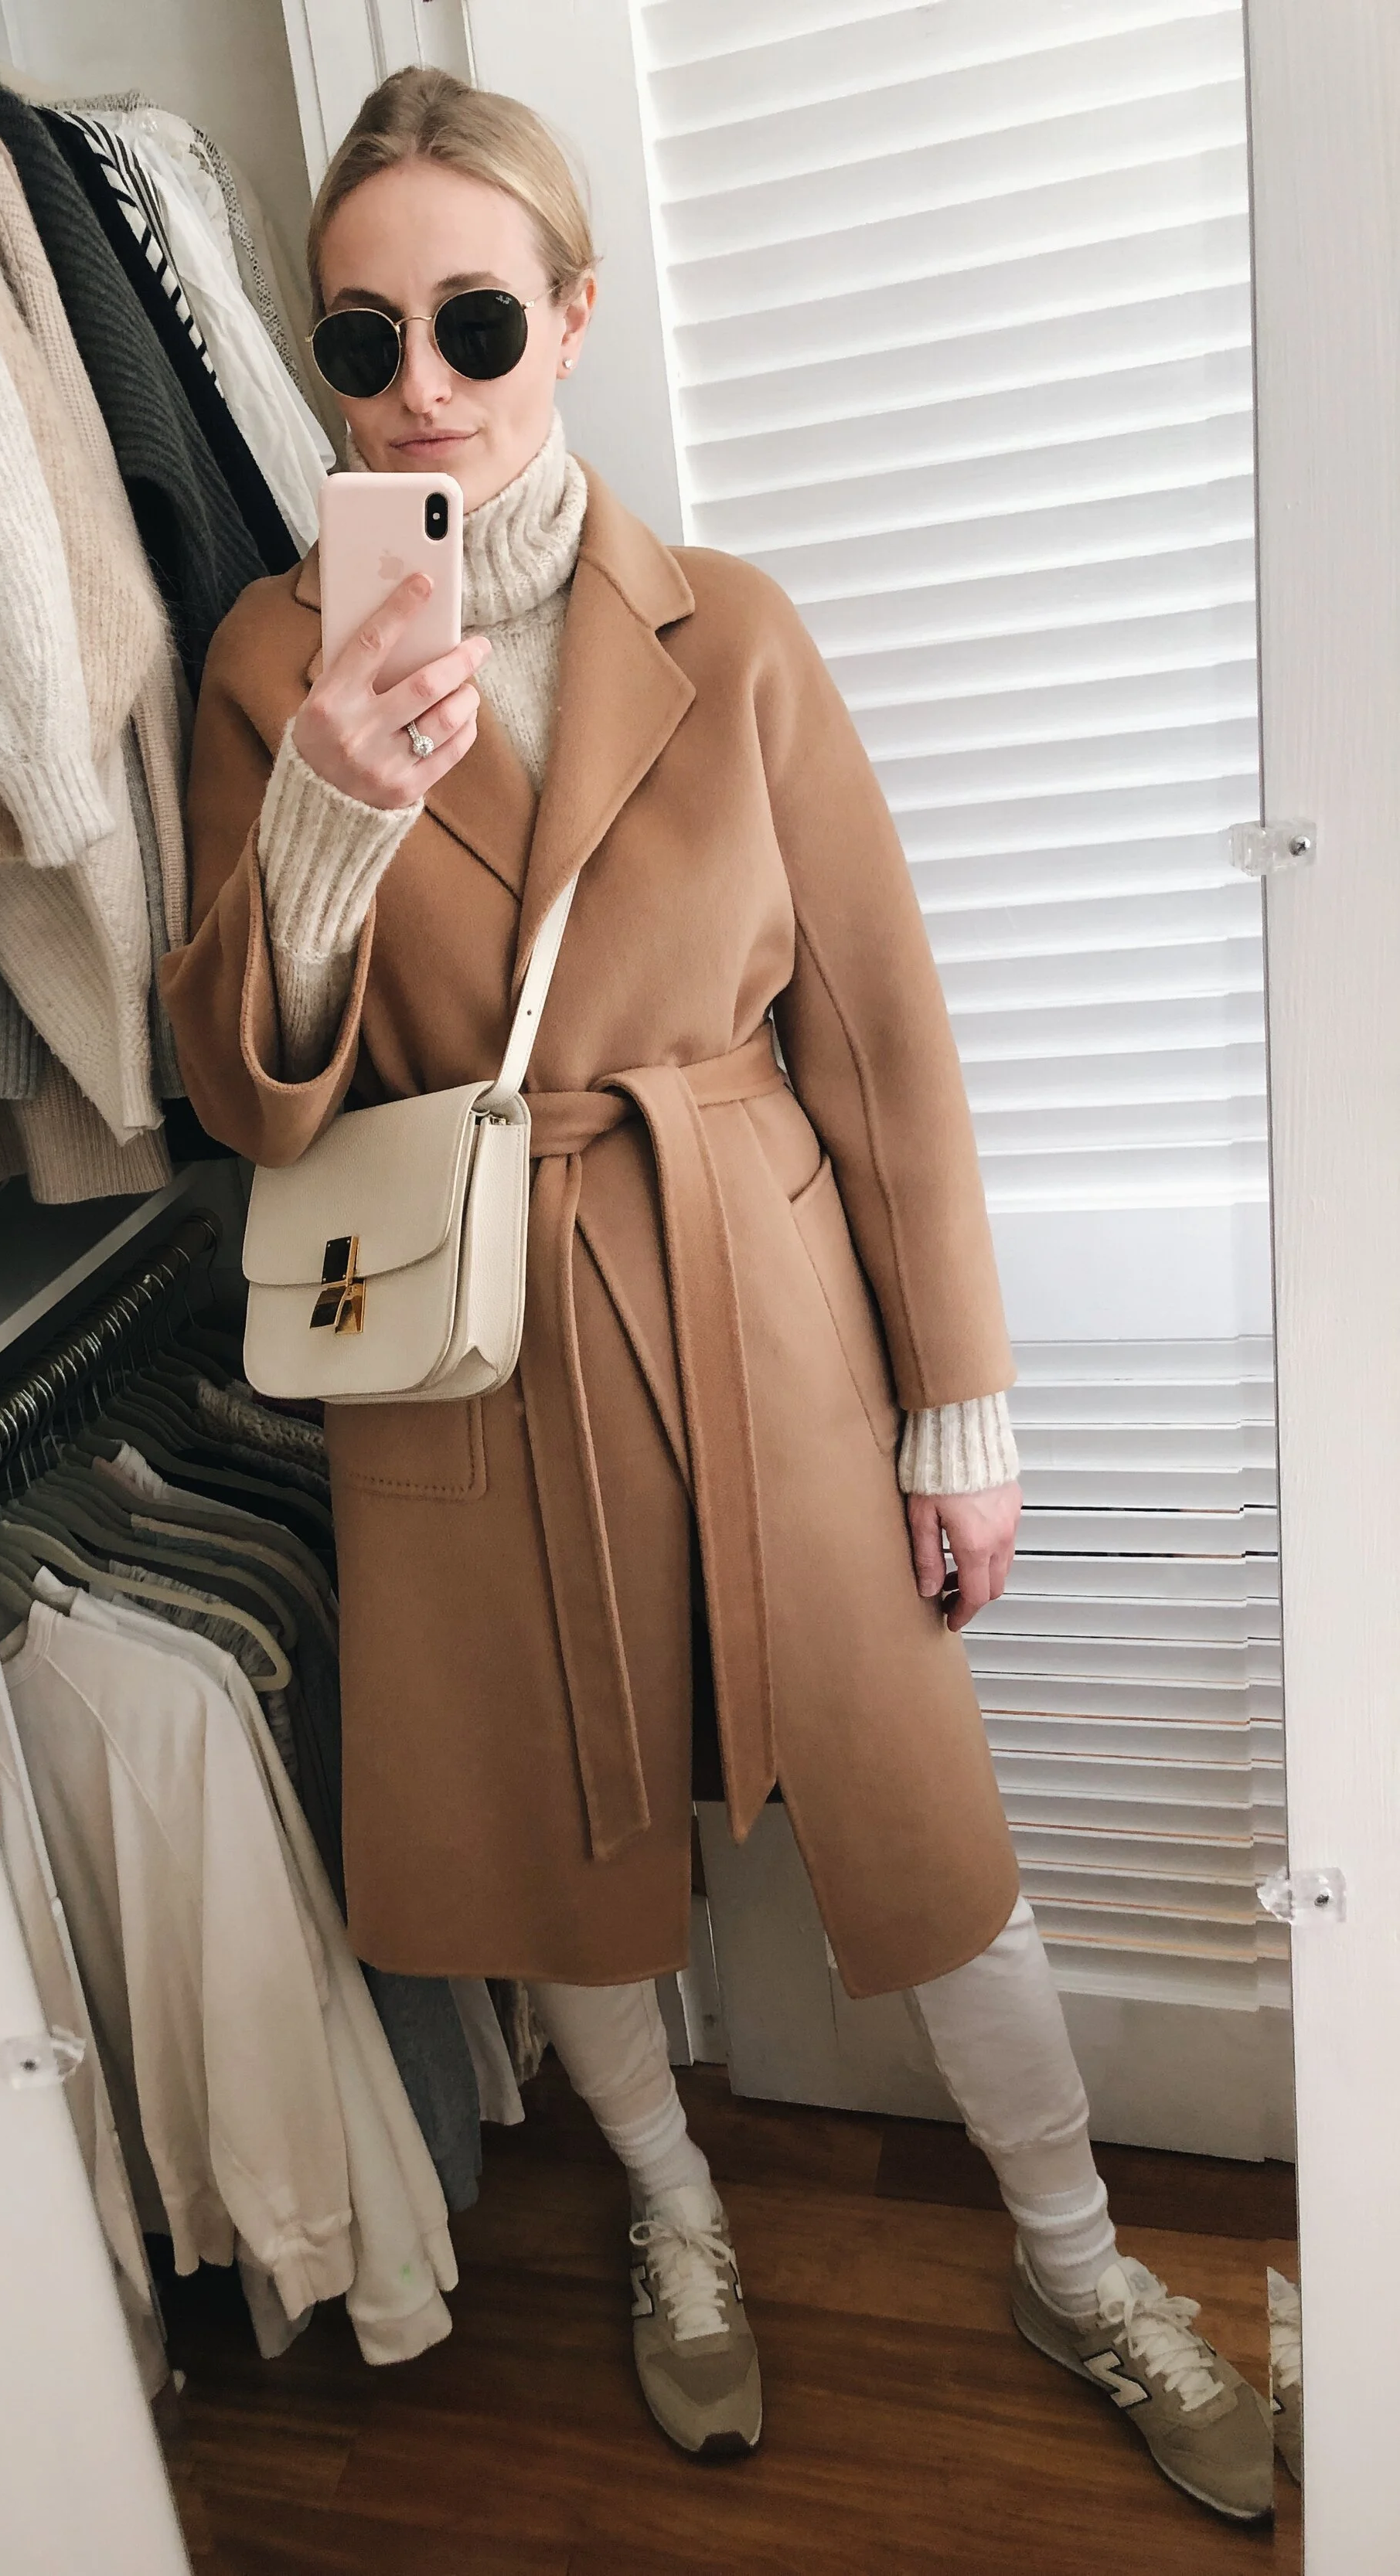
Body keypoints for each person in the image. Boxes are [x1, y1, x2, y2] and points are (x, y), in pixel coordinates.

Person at [158, 66, 1272, 2523]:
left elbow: (877, 1029)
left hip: (756, 1290)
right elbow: (244, 1090)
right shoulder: (266, 658)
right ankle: (673, 2212)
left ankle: (1073, 2251)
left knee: (923, 1829)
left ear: (571, 314)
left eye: (474, 319)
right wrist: (328, 803)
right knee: (553, 1823)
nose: (421, 385)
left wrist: (956, 1405)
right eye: (362, 338)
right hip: (464, 1330)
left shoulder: (727, 627)